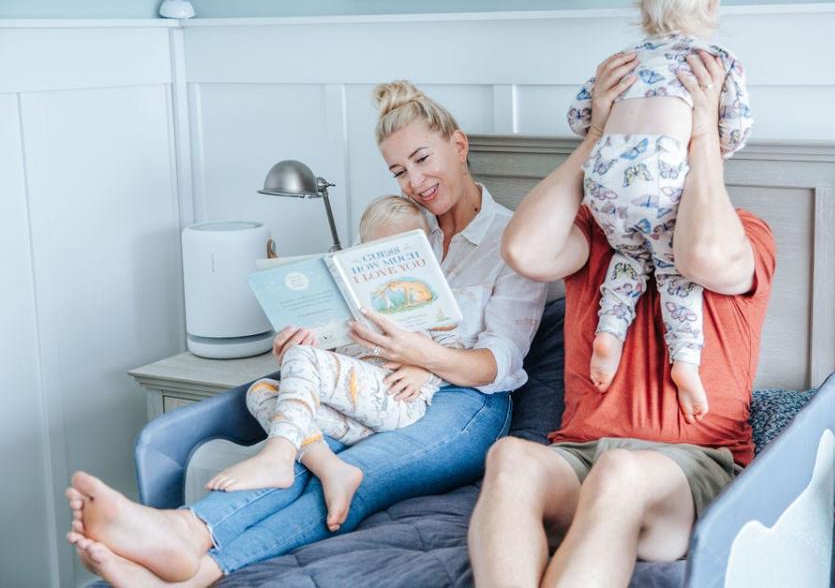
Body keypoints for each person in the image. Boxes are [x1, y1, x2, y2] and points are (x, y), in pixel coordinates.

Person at [64, 80, 548, 586]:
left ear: (459, 145)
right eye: (400, 171)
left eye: (424, 159)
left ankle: (198, 564)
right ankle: (184, 532)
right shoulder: (394, 229)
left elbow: (500, 361)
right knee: (303, 446)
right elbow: (352, 322)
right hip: (377, 382)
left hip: (467, 403)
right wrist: (309, 340)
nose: (416, 180)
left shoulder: (512, 239)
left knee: (360, 473)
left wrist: (423, 355)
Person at [468, 36, 775, 588]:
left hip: (686, 468)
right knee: (510, 458)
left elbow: (703, 255)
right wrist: (593, 140)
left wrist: (704, 136)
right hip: (580, 456)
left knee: (621, 473)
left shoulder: (745, 234)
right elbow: (523, 251)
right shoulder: (596, 237)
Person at [568, 0, 753, 423]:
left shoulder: (620, 61)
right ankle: (686, 361)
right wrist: (712, 148)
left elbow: (578, 118)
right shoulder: (715, 60)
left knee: (629, 256)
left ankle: (609, 333)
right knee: (676, 271)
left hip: (605, 178)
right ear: (710, 9)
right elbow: (734, 129)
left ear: (642, 11)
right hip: (663, 180)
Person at [204, 195, 463, 529]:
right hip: (351, 414)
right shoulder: (348, 304)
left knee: (301, 363)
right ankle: (332, 469)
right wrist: (300, 351)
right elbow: (327, 361)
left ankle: (277, 455)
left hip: (395, 398)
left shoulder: (428, 301)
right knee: (262, 390)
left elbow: (453, 350)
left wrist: (425, 368)